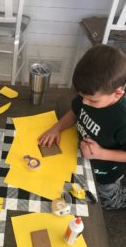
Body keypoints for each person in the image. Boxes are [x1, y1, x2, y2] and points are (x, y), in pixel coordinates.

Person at [38, 44, 126, 210]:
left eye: (92, 101)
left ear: (117, 93)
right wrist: (57, 127)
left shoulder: (122, 118)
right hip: (82, 158)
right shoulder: (89, 95)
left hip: (105, 172)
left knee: (107, 202)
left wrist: (101, 153)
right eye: (81, 97)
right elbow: (75, 112)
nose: (85, 103)